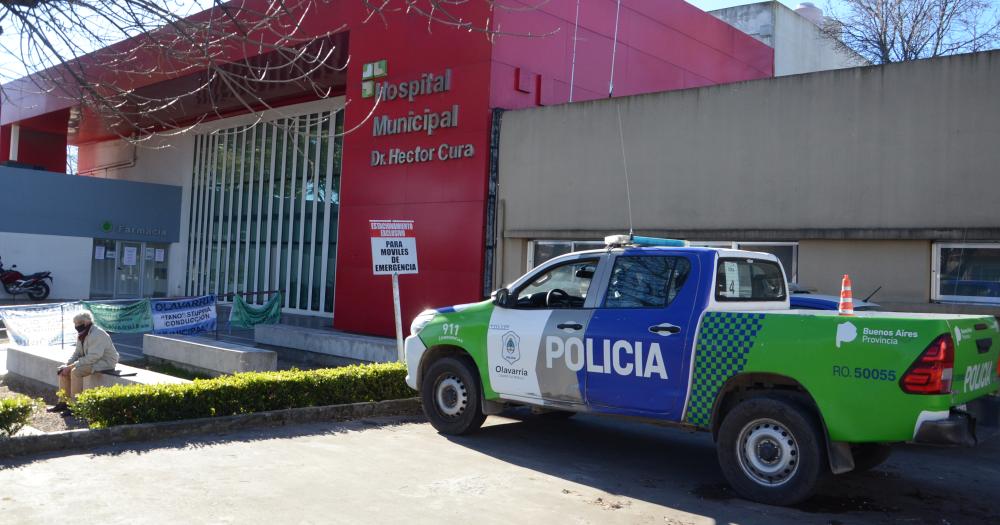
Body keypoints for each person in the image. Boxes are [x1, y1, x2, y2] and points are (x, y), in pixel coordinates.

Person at [47, 312, 120, 413]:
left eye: (79, 323)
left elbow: (93, 357)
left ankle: (75, 406)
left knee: (75, 371)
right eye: (75, 324)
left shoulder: (97, 334)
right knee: (63, 371)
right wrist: (67, 365)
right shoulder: (82, 334)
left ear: (86, 323)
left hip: (104, 362)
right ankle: (63, 403)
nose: (76, 326)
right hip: (92, 361)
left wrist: (71, 367)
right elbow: (77, 353)